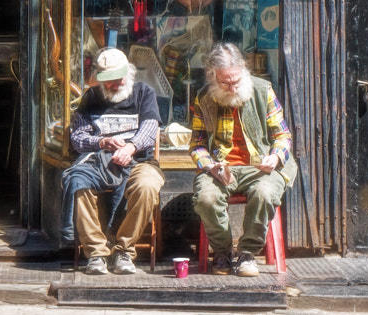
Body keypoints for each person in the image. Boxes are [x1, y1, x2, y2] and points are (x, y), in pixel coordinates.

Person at [189, 42, 296, 277]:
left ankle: (247, 252)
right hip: (222, 168)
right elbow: (197, 145)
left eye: (236, 80)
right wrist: (210, 166)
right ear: (213, 76)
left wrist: (276, 156)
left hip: (260, 167)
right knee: (206, 198)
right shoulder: (203, 99)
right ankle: (222, 251)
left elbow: (283, 135)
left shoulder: (262, 89)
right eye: (225, 83)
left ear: (244, 70)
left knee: (265, 194)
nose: (232, 87)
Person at [61, 48, 164, 275]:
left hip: (139, 162)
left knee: (147, 186)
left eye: (118, 80)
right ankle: (96, 252)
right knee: (77, 182)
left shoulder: (143, 93)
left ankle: (123, 250)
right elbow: (77, 137)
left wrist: (130, 147)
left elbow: (150, 130)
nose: (114, 86)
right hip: (98, 161)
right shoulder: (91, 97)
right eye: (108, 82)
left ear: (128, 74)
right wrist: (102, 142)